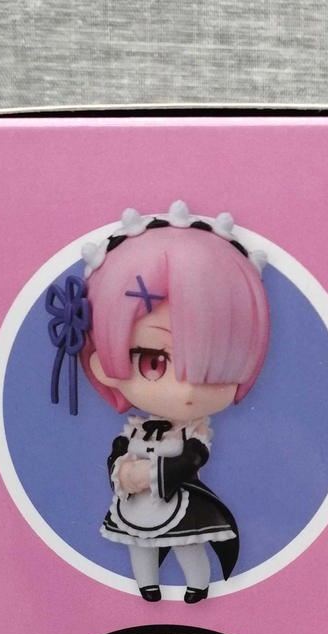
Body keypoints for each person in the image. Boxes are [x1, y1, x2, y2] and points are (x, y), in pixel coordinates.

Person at [79, 202, 270, 601]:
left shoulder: (194, 433)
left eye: (217, 364)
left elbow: (192, 460)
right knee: (138, 546)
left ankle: (197, 585)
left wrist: (148, 474)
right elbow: (115, 455)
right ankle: (147, 586)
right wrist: (121, 473)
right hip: (137, 505)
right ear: (102, 362)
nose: (185, 390)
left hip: (176, 499)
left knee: (188, 544)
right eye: (154, 362)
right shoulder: (133, 430)